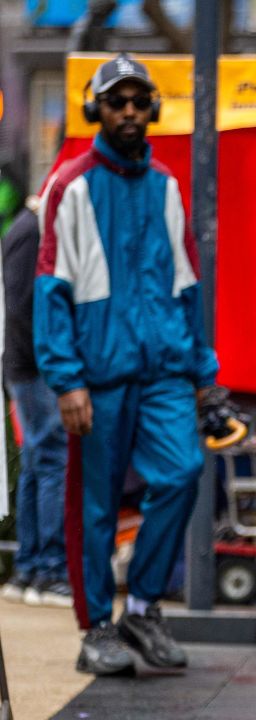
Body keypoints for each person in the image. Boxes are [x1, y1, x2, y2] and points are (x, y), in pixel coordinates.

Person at [35, 53, 222, 675]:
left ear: (152, 109)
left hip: (164, 373)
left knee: (183, 473)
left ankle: (141, 606)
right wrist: (66, 379)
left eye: (140, 101)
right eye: (118, 101)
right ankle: (96, 630)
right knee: (95, 503)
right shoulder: (71, 185)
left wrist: (203, 375)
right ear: (97, 108)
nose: (130, 112)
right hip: (97, 378)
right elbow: (51, 289)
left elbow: (188, 287)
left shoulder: (167, 187)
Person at [1, 197, 71, 608]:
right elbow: (22, 306)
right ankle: (48, 569)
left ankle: (31, 568)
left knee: (37, 461)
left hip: (26, 365)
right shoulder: (30, 231)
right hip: (33, 366)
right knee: (50, 462)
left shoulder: (28, 228)